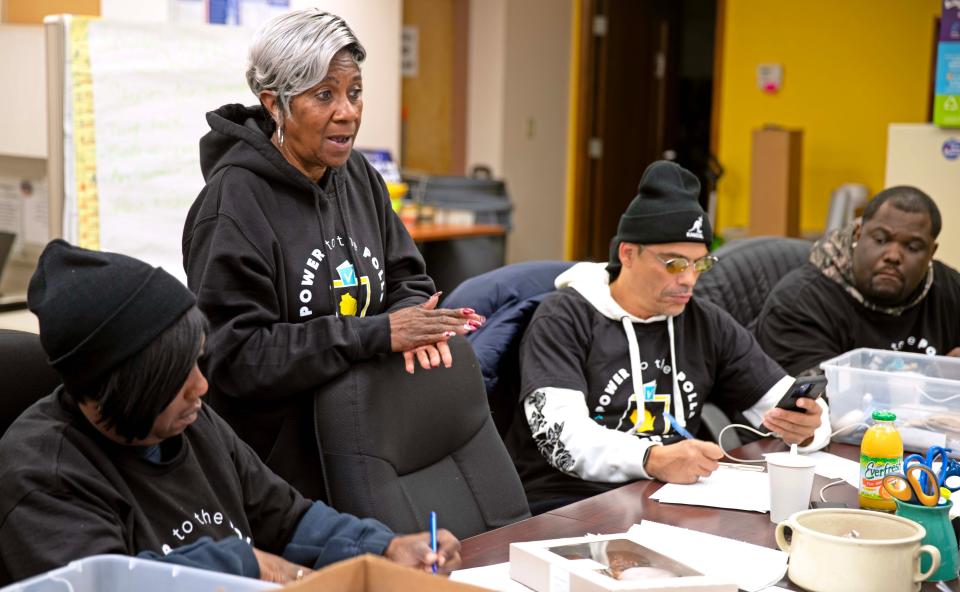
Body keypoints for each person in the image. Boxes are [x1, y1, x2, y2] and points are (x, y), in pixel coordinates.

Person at [0, 240, 461, 585]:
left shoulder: (192, 422)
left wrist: (385, 547)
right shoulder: (43, 473)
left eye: (198, 363)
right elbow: (108, 582)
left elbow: (287, 516)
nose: (201, 387)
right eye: (178, 376)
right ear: (124, 388)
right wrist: (247, 563)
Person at [182, 9, 483, 500]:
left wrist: (412, 320)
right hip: (275, 479)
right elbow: (235, 358)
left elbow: (407, 275)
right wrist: (376, 334)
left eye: (355, 91)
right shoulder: (232, 205)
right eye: (324, 95)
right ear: (275, 105)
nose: (348, 112)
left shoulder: (359, 176)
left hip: (368, 440)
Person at [505, 161, 830, 512]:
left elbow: (782, 399)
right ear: (627, 253)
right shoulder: (565, 317)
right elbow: (561, 438)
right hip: (568, 503)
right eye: (674, 264)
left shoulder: (705, 321)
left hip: (670, 498)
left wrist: (809, 427)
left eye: (700, 264)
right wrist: (652, 458)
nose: (689, 279)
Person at [755, 186, 960, 376]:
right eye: (881, 239)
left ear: (931, 252)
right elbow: (812, 402)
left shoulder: (949, 290)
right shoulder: (800, 302)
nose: (893, 256)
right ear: (858, 234)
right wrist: (933, 377)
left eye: (913, 247)